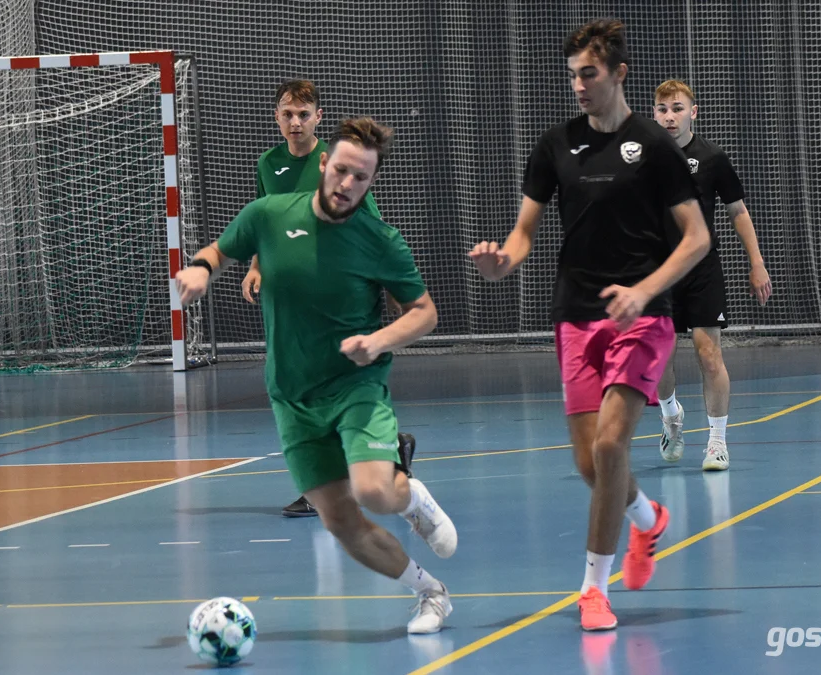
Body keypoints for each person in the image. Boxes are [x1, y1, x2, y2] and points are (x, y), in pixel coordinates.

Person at [469, 19, 711, 631]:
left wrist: (645, 291)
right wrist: (501, 265)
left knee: (610, 447)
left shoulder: (654, 148)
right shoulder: (555, 145)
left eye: (589, 74)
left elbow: (697, 239)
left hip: (643, 317)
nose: (578, 85)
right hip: (575, 316)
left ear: (618, 73)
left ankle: (592, 590)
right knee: (588, 465)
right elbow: (523, 234)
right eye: (572, 75)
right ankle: (647, 519)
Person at [176, 117, 456, 634]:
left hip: (354, 385)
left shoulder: (379, 240)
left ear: (372, 182)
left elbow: (424, 313)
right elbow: (220, 250)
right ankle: (431, 593)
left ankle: (413, 499)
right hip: (291, 392)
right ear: (324, 163)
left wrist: (377, 342)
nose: (348, 185)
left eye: (362, 178)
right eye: (343, 170)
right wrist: (200, 268)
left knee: (373, 492)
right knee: (340, 521)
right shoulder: (268, 213)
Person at [243, 80, 410, 519]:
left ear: (318, 117)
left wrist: (392, 289)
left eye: (303, 114)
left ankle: (352, 468)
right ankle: (366, 460)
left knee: (339, 380)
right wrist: (256, 266)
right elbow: (266, 224)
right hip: (295, 298)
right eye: (286, 114)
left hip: (341, 293)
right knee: (299, 383)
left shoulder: (335, 164)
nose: (294, 121)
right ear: (276, 118)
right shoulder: (268, 165)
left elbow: (369, 227)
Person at [651, 80, 772, 471]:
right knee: (659, 361)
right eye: (663, 109)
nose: (670, 116)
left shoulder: (713, 158)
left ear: (693, 112)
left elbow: (738, 212)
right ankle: (671, 417)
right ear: (654, 114)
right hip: (659, 273)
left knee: (710, 355)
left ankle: (717, 442)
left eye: (677, 108)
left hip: (702, 270)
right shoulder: (642, 160)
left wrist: (756, 263)